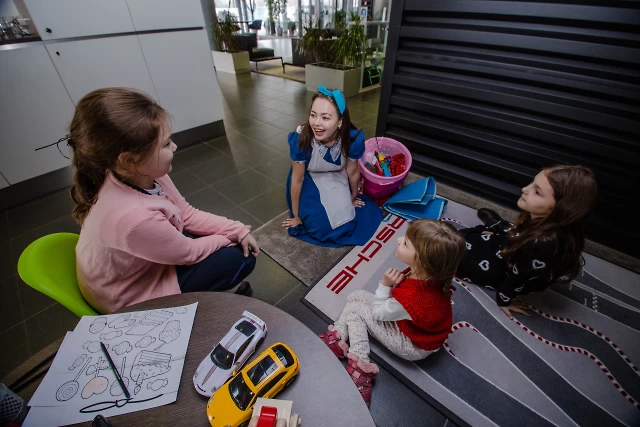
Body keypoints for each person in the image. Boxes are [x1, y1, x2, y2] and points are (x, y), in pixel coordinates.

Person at [70, 88, 260, 314]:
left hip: (135, 268)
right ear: (129, 160)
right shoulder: (135, 217)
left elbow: (187, 214)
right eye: (166, 144)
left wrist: (236, 228)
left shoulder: (137, 172)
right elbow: (188, 252)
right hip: (130, 299)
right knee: (240, 257)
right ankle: (198, 305)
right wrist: (227, 237)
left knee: (214, 238)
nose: (175, 147)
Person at [318, 219, 466, 405]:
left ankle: (361, 367)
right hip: (419, 330)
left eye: (406, 243)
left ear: (422, 260)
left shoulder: (413, 298)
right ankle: (339, 335)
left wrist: (385, 284)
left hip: (412, 345)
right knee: (356, 296)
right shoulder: (432, 274)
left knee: (355, 310)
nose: (398, 239)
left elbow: (379, 313)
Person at [455, 165, 598, 319]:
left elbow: (517, 278)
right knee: (471, 235)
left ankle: (497, 227)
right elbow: (519, 233)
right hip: (515, 246)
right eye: (532, 183)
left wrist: (504, 300)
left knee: (448, 253)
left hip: (508, 267)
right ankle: (498, 227)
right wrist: (504, 236)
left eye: (537, 191)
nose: (525, 189)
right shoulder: (552, 223)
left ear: (560, 209)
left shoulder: (544, 243)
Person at [282, 86, 382, 247]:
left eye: (325, 118)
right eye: (313, 115)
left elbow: (353, 171)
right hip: (309, 177)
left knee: (346, 221)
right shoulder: (301, 138)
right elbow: (297, 179)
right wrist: (296, 215)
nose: (316, 123)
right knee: (320, 226)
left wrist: (353, 196)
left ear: (340, 121)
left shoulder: (352, 139)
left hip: (336, 174)